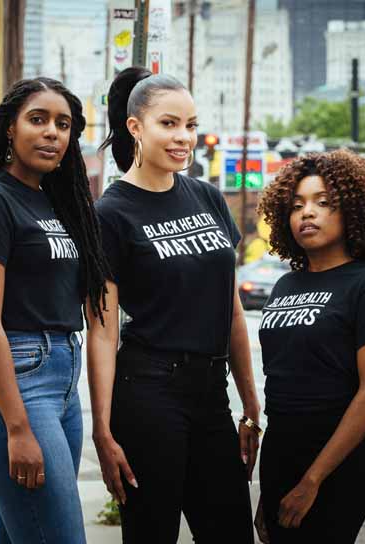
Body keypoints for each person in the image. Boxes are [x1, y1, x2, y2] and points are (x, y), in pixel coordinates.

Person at [86, 66, 260, 543]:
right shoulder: (109, 214)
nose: (183, 137)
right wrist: (102, 431)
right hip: (147, 392)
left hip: (211, 394)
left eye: (191, 125)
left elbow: (231, 310)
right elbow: (102, 330)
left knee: (229, 531)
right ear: (135, 127)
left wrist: (249, 405)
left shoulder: (207, 197)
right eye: (169, 124)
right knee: (152, 532)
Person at [0, 77, 111, 544]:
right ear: (10, 130)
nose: (52, 133)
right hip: (14, 384)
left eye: (64, 125)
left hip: (60, 381)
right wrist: (17, 426)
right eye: (37, 120)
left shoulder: (54, 204)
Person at [253, 150, 365, 543]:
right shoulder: (286, 284)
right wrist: (269, 488)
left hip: (339, 458)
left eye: (323, 203)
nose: (307, 213)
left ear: (353, 210)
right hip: (281, 447)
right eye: (298, 205)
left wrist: (313, 479)